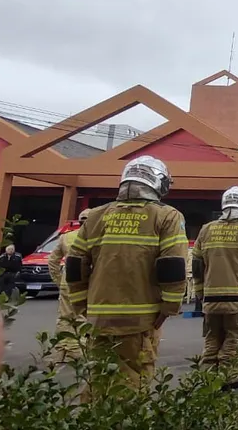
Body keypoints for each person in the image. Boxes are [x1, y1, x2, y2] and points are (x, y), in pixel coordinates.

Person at [66, 155, 189, 393]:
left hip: (98, 317)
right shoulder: (166, 216)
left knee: (99, 381)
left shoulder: (96, 215)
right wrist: (169, 308)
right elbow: (173, 265)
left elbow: (74, 264)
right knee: (133, 382)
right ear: (158, 183)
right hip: (141, 319)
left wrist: (82, 304)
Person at [193, 187, 238, 388]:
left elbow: (197, 266)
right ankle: (229, 374)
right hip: (237, 296)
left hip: (210, 296)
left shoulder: (206, 229)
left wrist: (200, 292)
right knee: (234, 336)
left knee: (212, 336)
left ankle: (208, 374)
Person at [46, 209, 91, 364]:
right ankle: (77, 350)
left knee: (64, 317)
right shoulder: (96, 238)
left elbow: (52, 261)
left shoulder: (66, 237)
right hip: (88, 284)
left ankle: (61, 349)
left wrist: (59, 280)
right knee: (82, 317)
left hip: (67, 282)